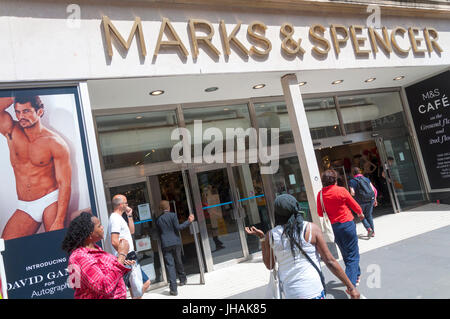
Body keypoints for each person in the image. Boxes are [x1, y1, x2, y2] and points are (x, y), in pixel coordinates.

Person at [245, 194, 360, 299]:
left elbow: (270, 265)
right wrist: (351, 287)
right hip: (313, 289)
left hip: (291, 293)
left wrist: (262, 239)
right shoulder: (311, 229)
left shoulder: (271, 235)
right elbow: (330, 261)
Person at [0, 94, 71, 240]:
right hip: (25, 205)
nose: (21, 116)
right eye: (17, 112)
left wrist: (59, 219)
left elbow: (64, 183)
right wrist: (16, 93)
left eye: (26, 111)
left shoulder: (55, 142)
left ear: (39, 112)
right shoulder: (11, 130)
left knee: (56, 246)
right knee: (6, 250)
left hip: (50, 200)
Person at [62, 212, 133, 299]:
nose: (102, 227)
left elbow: (107, 272)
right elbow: (103, 287)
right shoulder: (80, 257)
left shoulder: (95, 250)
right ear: (89, 234)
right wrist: (122, 255)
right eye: (99, 226)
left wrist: (121, 262)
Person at [317, 169, 365, 287]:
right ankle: (350, 283)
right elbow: (354, 205)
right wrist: (360, 213)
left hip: (334, 227)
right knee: (353, 254)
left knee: (345, 253)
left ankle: (356, 275)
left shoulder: (320, 194)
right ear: (334, 180)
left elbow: (320, 212)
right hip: (347, 224)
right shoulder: (341, 190)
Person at [106, 194, 151, 298]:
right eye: (126, 203)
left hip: (128, 255)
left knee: (134, 288)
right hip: (127, 256)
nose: (128, 205)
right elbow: (114, 241)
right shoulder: (115, 218)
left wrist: (129, 215)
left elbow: (132, 231)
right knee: (145, 283)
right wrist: (123, 256)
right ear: (120, 204)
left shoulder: (119, 217)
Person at [155, 200, 195, 296]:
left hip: (165, 244)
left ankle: (173, 289)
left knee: (170, 265)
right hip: (175, 242)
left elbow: (158, 232)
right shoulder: (173, 215)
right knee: (178, 260)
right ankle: (182, 279)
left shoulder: (158, 219)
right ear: (168, 207)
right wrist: (189, 221)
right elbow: (178, 227)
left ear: (161, 209)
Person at [349, 167, 378, 238]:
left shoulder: (352, 181)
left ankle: (368, 228)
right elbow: (373, 189)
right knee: (369, 215)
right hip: (370, 199)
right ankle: (373, 232)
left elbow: (352, 193)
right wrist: (375, 199)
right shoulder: (366, 179)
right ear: (360, 172)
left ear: (353, 173)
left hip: (360, 201)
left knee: (361, 215)